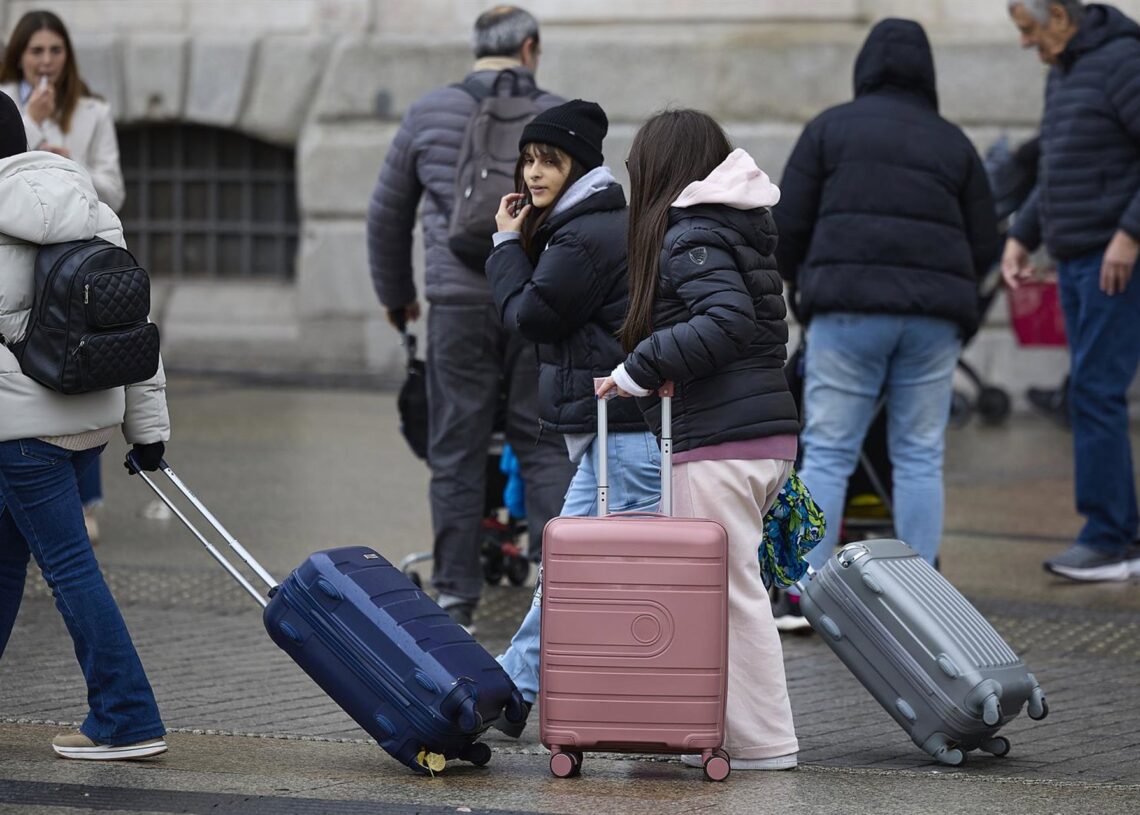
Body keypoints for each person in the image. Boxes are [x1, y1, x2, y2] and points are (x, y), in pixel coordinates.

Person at [772, 19, 1000, 621]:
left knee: (828, 452)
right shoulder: (953, 142)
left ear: (865, 68)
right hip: (932, 321)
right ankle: (922, 601)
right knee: (919, 454)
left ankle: (803, 592)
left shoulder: (828, 129)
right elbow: (985, 242)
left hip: (847, 314)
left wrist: (801, 288)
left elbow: (786, 226)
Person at [596, 109, 801, 771]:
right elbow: (761, 329)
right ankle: (714, 730)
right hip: (763, 433)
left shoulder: (690, 233)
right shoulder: (742, 225)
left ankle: (762, 742)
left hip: (718, 439)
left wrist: (642, 365)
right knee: (733, 589)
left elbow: (726, 320)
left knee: (729, 594)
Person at [367, 6, 575, 633]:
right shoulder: (558, 114)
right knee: (542, 444)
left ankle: (456, 596)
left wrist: (398, 295)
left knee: (455, 448)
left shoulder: (429, 112)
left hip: (456, 300)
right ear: (530, 48)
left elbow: (386, 214)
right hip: (537, 301)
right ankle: (558, 582)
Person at [0, 91, 169, 760]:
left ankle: (126, 712)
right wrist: (148, 429)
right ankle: (125, 709)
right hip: (88, 417)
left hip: (19, 430)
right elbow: (136, 329)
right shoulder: (92, 208)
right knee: (7, 559)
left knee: (70, 569)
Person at [483, 100, 659, 733]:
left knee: (626, 580)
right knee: (570, 564)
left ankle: (638, 701)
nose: (533, 173)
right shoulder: (593, 222)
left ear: (578, 166)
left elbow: (531, 315)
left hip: (629, 435)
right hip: (618, 430)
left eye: (548, 161)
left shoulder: (584, 233)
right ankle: (513, 688)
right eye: (528, 160)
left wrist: (505, 245)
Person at [1002, 0, 1140, 581]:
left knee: (1095, 391)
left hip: (1115, 262)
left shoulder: (1122, 62)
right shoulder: (1066, 73)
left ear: (1059, 15)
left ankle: (1112, 539)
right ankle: (1113, 533)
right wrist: (1021, 235)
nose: (1026, 45)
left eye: (1030, 30)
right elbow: (1058, 169)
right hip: (1082, 259)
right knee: (1090, 391)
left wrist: (1130, 235)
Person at [1, 9, 130, 544]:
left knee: (81, 362)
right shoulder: (9, 102)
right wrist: (29, 120)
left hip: (74, 253)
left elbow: (112, 187)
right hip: (27, 260)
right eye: (36, 51)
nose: (46, 60)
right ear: (20, 56)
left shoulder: (92, 111)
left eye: (55, 51)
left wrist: (63, 162)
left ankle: (86, 501)